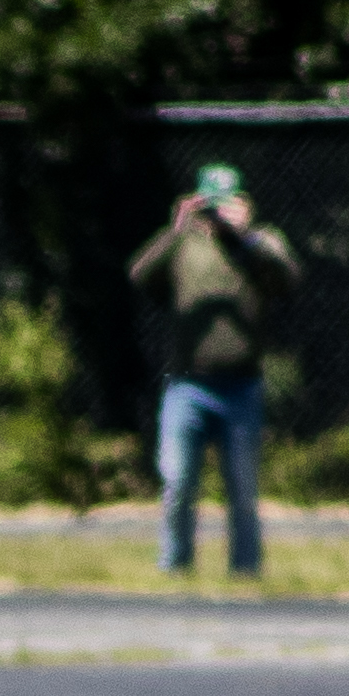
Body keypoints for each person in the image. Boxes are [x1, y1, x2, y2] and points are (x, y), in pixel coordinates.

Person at [129, 164, 296, 574]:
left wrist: (249, 237)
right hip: (187, 384)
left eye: (227, 205)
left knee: (241, 487)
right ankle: (175, 565)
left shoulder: (261, 244)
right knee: (178, 479)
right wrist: (175, 229)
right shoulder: (183, 244)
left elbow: (289, 279)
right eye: (211, 206)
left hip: (241, 386)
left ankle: (245, 569)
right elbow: (139, 275)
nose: (219, 215)